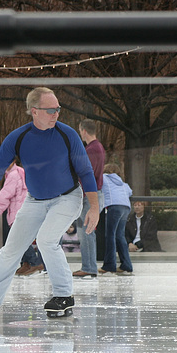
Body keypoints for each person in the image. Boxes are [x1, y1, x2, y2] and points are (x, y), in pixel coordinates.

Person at [0, 87, 98, 319]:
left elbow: (86, 172)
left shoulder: (68, 135)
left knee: (47, 240)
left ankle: (63, 295)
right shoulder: (18, 137)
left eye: (58, 109)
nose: (56, 113)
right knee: (10, 250)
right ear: (34, 111)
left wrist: (95, 207)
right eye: (50, 110)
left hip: (67, 197)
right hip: (34, 200)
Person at [0, 161, 43, 276]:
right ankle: (26, 263)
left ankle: (33, 262)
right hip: (23, 209)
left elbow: (5, 195)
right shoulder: (19, 172)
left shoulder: (13, 174)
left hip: (17, 211)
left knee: (21, 239)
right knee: (22, 237)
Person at [73, 119, 105, 278]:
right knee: (87, 230)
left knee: (85, 231)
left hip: (89, 196)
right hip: (94, 194)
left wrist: (81, 194)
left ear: (83, 130)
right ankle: (89, 266)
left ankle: (89, 267)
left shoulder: (91, 150)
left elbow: (87, 174)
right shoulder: (98, 148)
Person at [98, 163, 133, 275]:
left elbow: (97, 187)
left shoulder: (103, 178)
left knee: (110, 236)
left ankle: (109, 265)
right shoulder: (123, 183)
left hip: (114, 206)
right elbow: (130, 192)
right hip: (126, 208)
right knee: (120, 236)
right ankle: (126, 264)